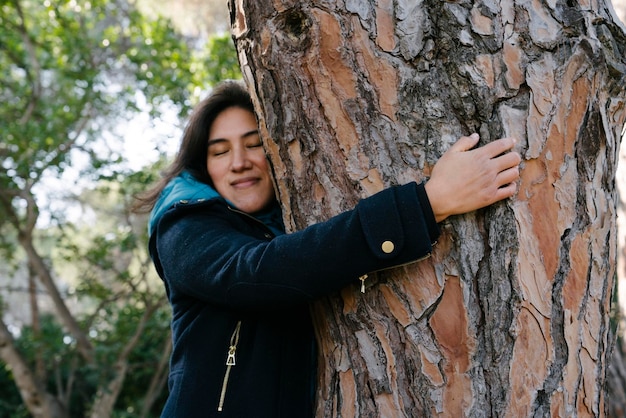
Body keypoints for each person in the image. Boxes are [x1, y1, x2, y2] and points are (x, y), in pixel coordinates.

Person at [135, 80, 521, 417]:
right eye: (220, 151)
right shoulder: (183, 223)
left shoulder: (284, 228)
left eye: (255, 144)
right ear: (202, 165)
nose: (239, 162)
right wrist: (426, 203)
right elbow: (257, 273)